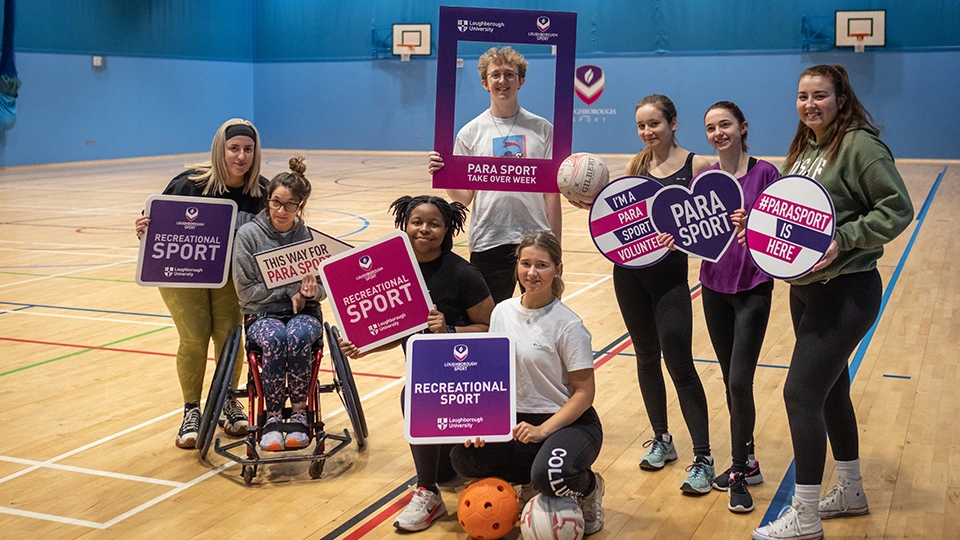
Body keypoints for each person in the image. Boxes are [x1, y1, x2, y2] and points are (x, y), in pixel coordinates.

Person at [752, 65, 913, 540]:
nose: (809, 105)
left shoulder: (861, 146)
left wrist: (844, 238)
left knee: (799, 394)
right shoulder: (805, 147)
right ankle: (850, 490)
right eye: (802, 96)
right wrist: (757, 225)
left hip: (846, 292)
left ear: (842, 99)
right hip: (805, 292)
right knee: (830, 393)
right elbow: (788, 210)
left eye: (820, 96)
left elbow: (897, 207)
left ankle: (804, 517)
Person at [339, 195, 494, 532]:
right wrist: (363, 346)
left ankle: (428, 493)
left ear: (447, 229)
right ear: (404, 226)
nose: (425, 229)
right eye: (417, 222)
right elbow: (395, 328)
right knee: (445, 465)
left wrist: (450, 330)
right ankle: (434, 479)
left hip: (466, 377)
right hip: (430, 379)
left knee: (415, 395)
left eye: (434, 223)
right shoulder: (394, 271)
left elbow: (493, 329)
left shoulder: (463, 274)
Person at [660, 101, 779, 512]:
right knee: (730, 376)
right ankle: (749, 458)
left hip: (754, 288)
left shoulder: (766, 173)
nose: (718, 133)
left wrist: (755, 224)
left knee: (739, 382)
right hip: (712, 287)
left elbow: (781, 230)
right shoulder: (706, 177)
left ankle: (739, 471)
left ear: (743, 127)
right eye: (711, 127)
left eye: (725, 125)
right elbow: (696, 230)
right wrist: (676, 239)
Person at [450, 233, 605, 535]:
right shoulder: (502, 312)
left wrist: (543, 430)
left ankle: (589, 488)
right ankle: (529, 482)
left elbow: (585, 394)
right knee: (464, 458)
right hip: (519, 422)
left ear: (558, 269)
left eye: (542, 265)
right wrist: (483, 423)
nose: (532, 273)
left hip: (568, 423)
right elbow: (492, 375)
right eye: (526, 264)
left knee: (552, 475)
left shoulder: (568, 325)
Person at [135, 118, 266, 449]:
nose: (241, 156)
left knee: (229, 338)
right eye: (233, 148)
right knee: (194, 337)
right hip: (185, 275)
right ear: (219, 149)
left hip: (230, 279)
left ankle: (225, 401)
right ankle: (191, 410)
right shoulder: (187, 184)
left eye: (248, 149)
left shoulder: (262, 192)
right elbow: (155, 221)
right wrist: (143, 227)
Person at [615, 94, 716, 493]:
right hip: (628, 275)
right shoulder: (635, 166)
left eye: (654, 123)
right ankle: (662, 438)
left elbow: (713, 229)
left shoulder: (699, 166)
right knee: (644, 358)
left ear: (673, 123)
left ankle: (704, 457)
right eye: (641, 125)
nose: (647, 132)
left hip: (670, 280)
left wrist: (685, 240)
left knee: (679, 363)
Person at [427, 46, 562, 303]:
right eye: (496, 75)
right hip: (488, 239)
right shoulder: (470, 133)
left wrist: (555, 244)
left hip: (534, 238)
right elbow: (464, 198)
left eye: (510, 74)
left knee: (541, 319)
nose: (503, 81)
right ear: (484, 83)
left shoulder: (543, 129)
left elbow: (551, 193)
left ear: (521, 80)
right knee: (491, 323)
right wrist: (445, 176)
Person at [232, 156, 325, 452]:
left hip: (304, 314)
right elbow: (246, 292)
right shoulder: (248, 236)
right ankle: (272, 417)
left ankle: (299, 413)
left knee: (296, 335)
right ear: (267, 200)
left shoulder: (310, 239)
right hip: (261, 314)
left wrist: (312, 292)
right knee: (275, 337)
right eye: (275, 202)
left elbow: (325, 288)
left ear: (301, 206)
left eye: (290, 205)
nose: (281, 211)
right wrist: (289, 291)